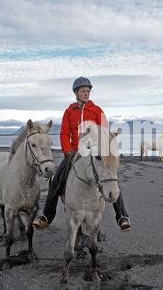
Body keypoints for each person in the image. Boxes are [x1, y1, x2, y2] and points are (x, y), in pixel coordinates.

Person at [33, 77, 132, 231]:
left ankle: (122, 217)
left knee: (111, 177)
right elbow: (64, 134)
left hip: (93, 151)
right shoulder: (69, 111)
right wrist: (67, 151)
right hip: (74, 153)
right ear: (76, 93)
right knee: (56, 181)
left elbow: (104, 132)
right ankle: (46, 216)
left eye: (88, 91)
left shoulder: (97, 110)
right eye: (83, 91)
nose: (86, 94)